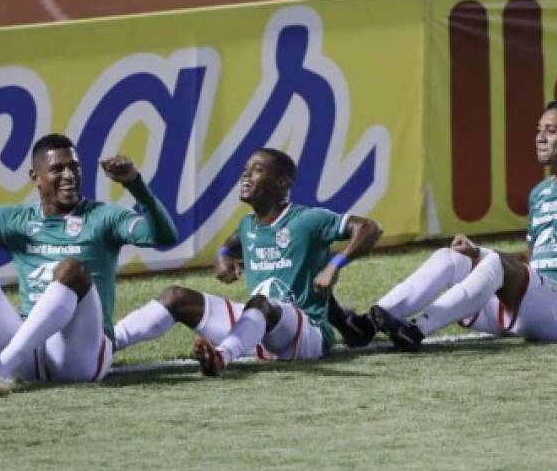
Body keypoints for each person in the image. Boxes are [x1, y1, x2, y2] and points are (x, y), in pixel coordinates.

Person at [341, 98, 557, 352]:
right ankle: (373, 320)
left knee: (493, 263)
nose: (540, 138)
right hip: (528, 303)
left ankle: (416, 329)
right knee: (450, 258)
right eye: (539, 130)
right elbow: (531, 260)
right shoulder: (540, 192)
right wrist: (478, 252)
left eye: (551, 131)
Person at [0, 133, 178, 399]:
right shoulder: (15, 220)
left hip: (80, 357)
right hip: (31, 354)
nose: (69, 175)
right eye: (57, 169)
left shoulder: (104, 216)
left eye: (74, 167)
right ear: (35, 178)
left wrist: (135, 184)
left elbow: (163, 236)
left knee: (72, 270)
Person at [112, 148, 382, 377]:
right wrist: (222, 258)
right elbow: (228, 246)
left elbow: (369, 228)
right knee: (175, 297)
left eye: (257, 170)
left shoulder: (308, 219)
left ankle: (220, 357)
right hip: (258, 329)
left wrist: (334, 265)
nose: (246, 175)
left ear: (282, 182)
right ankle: (109, 342)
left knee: (261, 302)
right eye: (245, 169)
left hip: (306, 333)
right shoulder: (247, 225)